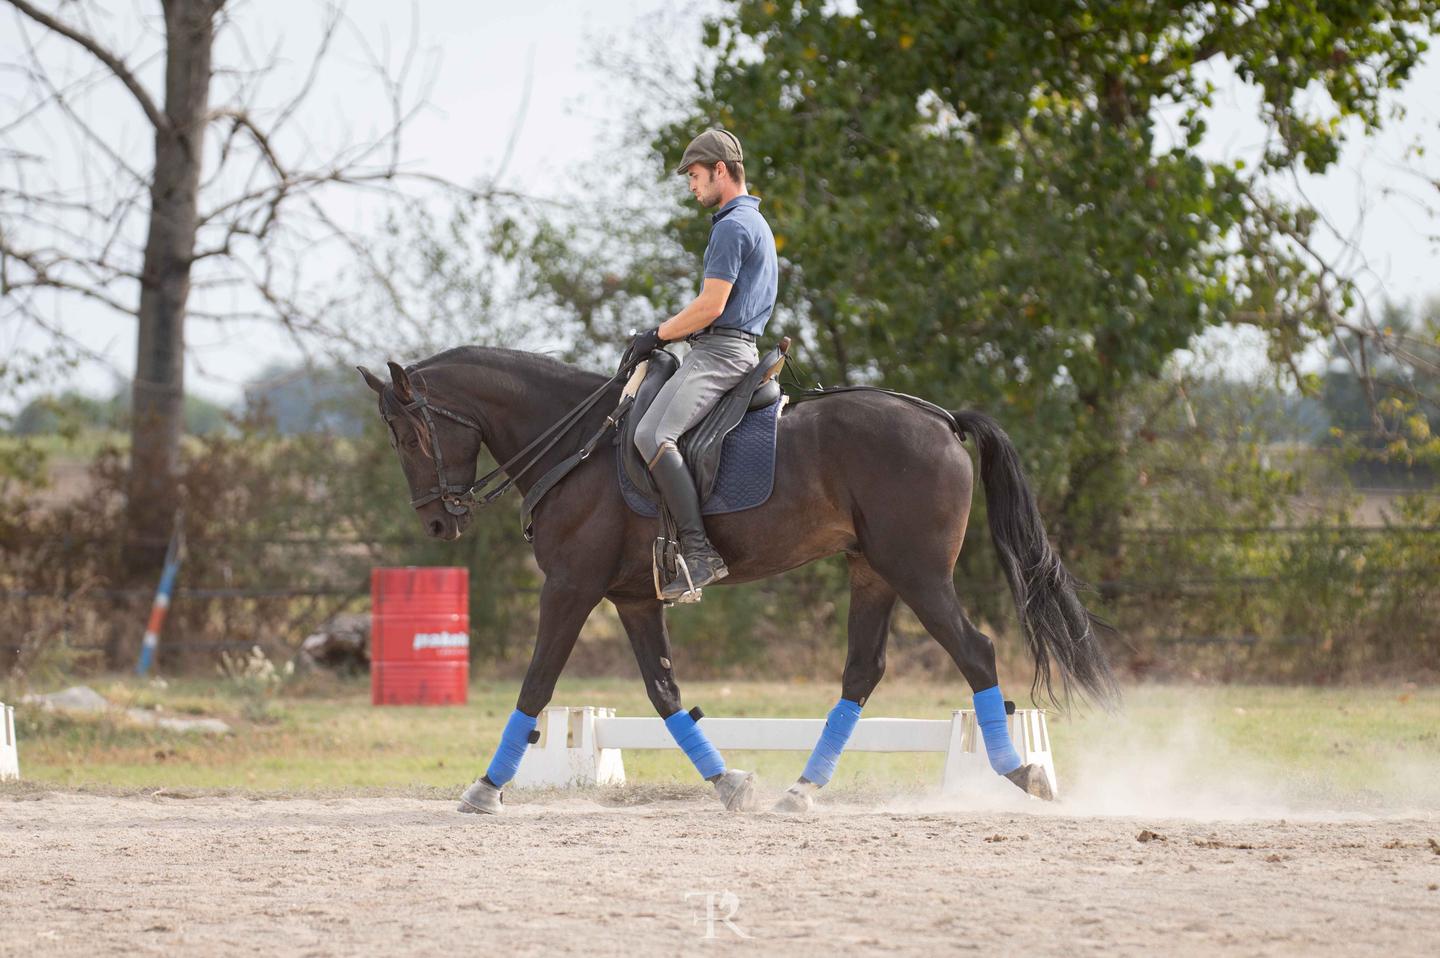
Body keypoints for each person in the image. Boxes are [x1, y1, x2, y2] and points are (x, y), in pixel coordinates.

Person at [628, 129, 779, 603]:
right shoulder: (753, 221)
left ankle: (699, 554)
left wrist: (657, 334)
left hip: (722, 352)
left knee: (650, 434)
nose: (691, 187)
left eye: (694, 176)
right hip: (733, 346)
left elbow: (711, 306)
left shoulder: (732, 226)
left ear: (720, 170)